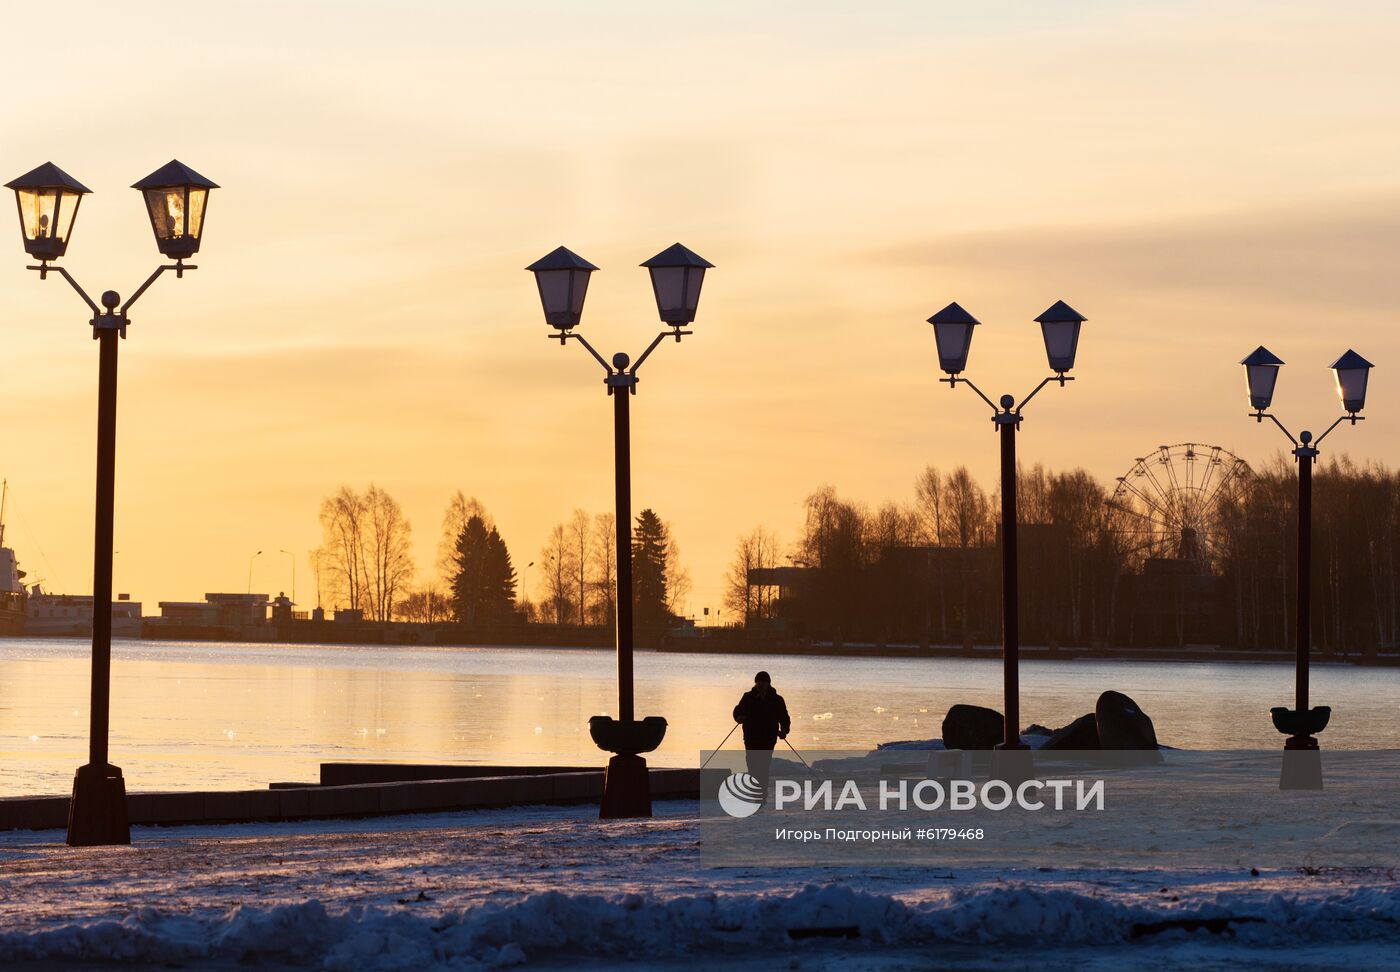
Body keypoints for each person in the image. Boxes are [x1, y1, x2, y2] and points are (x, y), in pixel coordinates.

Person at [732, 671, 791, 785]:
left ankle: (761, 793)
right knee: (752, 765)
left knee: (763, 766)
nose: (760, 684)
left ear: (768, 684)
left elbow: (784, 717)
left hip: (768, 738)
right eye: (758, 682)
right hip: (751, 737)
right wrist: (739, 717)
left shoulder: (777, 699)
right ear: (755, 683)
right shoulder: (748, 697)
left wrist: (784, 730)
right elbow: (738, 710)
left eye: (763, 682)